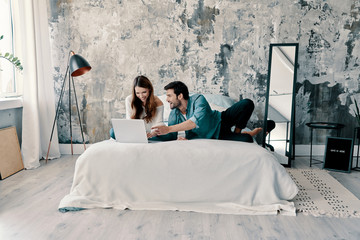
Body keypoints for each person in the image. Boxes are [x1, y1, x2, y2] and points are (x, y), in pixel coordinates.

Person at [152, 81, 262, 142]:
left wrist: (168, 128)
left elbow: (194, 122)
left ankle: (237, 131)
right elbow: (170, 135)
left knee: (246, 103)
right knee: (247, 139)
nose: (167, 100)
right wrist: (151, 135)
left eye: (169, 96)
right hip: (216, 135)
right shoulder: (174, 114)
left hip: (221, 120)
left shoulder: (198, 99)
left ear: (180, 96)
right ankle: (248, 133)